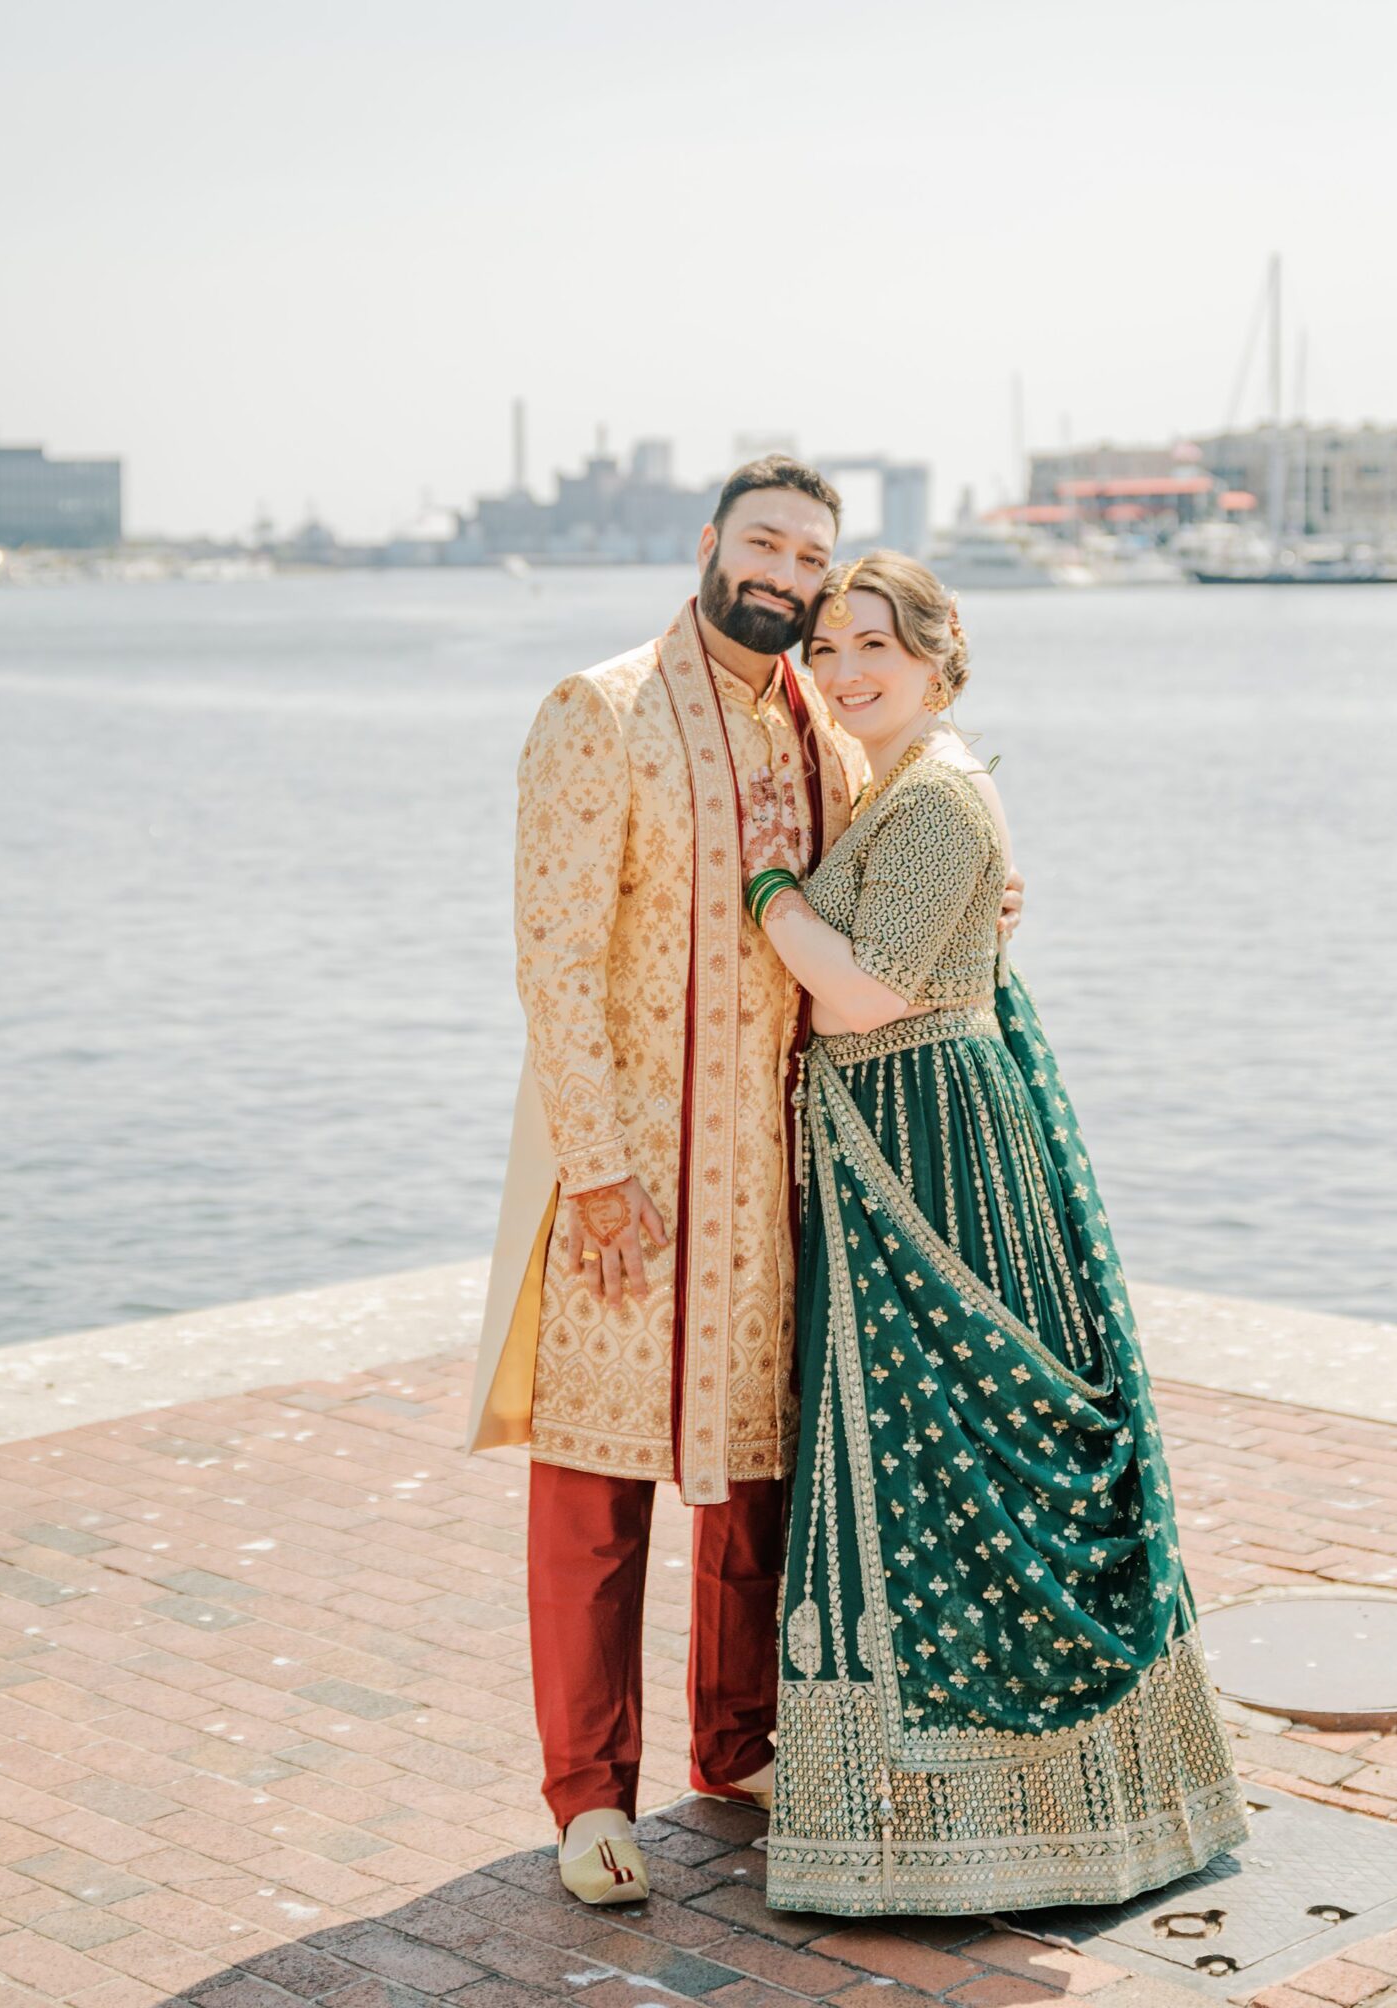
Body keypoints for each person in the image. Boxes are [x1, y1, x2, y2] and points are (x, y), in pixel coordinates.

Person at [467, 461, 1027, 1905]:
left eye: (810, 556)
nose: (785, 573)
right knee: (597, 1489)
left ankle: (737, 1742)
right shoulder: (602, 712)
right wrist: (592, 1171)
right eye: (764, 542)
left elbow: (911, 868)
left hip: (782, 1171)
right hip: (633, 1177)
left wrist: (993, 892)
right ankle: (590, 1797)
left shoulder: (825, 732)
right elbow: (555, 957)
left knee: (758, 1484)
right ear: (709, 545)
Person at [745, 551, 1248, 1918]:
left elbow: (861, 998)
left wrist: (768, 897)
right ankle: (933, 1818)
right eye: (833, 648)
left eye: (878, 649)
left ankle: (1014, 1824)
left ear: (938, 659)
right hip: (907, 1125)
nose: (849, 671)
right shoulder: (900, 781)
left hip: (932, 1136)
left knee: (967, 1448)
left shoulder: (942, 793)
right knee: (930, 1453)